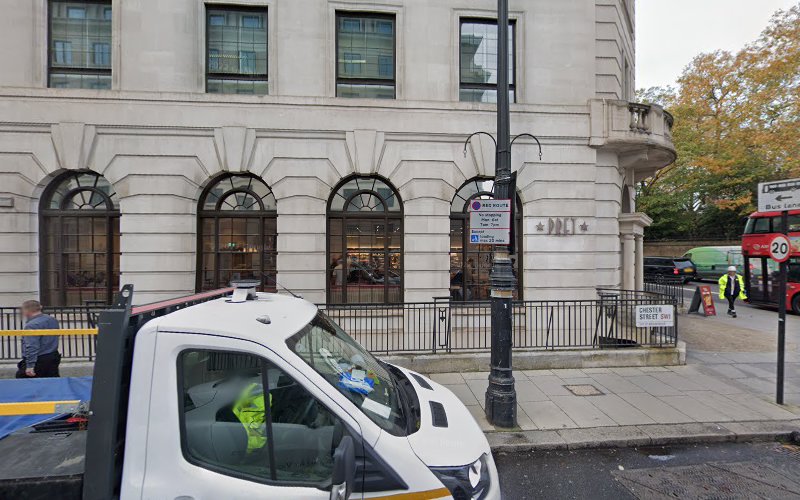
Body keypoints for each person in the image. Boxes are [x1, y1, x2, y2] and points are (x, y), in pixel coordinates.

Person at [16, 300, 61, 378]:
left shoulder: (31, 325)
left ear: (27, 310)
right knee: (52, 382)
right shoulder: (52, 320)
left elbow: (32, 346)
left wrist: (30, 366)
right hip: (53, 356)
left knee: (23, 380)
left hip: (39, 359)